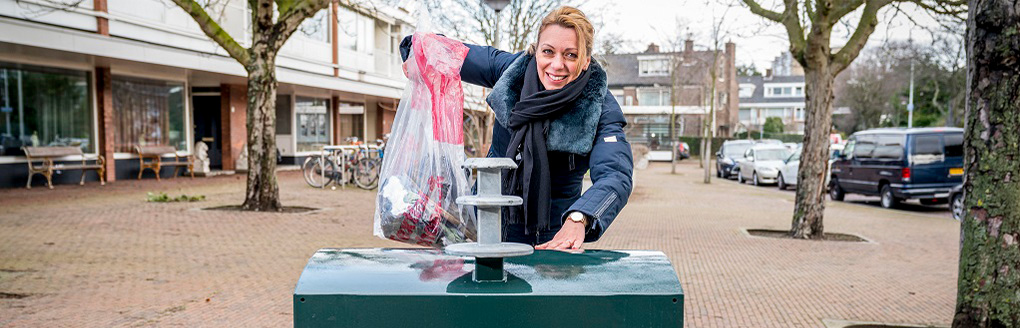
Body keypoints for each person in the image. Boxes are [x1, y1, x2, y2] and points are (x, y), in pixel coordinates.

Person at [401, 6, 632, 250]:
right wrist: (415, 52)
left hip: (554, 240)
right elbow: (454, 53)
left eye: (570, 55)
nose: (556, 64)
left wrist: (580, 217)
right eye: (548, 52)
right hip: (486, 226)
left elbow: (616, 173)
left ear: (585, 61)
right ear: (536, 51)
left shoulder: (599, 105)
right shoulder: (512, 72)